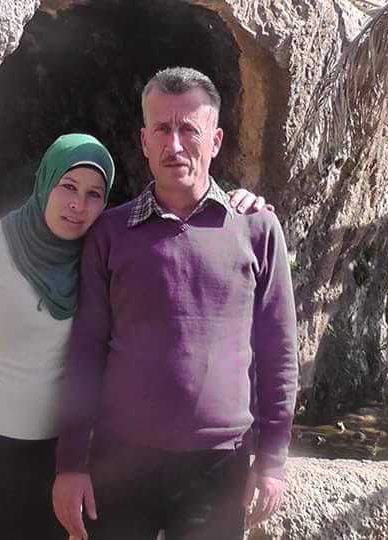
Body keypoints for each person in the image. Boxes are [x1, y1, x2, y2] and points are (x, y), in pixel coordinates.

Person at [0, 132, 269, 539]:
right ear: (45, 181)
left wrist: (240, 205)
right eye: (68, 186)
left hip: (48, 462)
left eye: (94, 194)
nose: (78, 204)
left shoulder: (101, 254)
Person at [52, 67, 298, 540]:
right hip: (119, 462)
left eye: (190, 130)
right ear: (144, 141)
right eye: (162, 129)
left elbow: (279, 354)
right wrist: (72, 463)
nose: (175, 144)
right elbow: (85, 352)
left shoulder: (257, 230)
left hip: (218, 466)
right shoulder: (110, 233)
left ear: (216, 140)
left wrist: (271, 459)